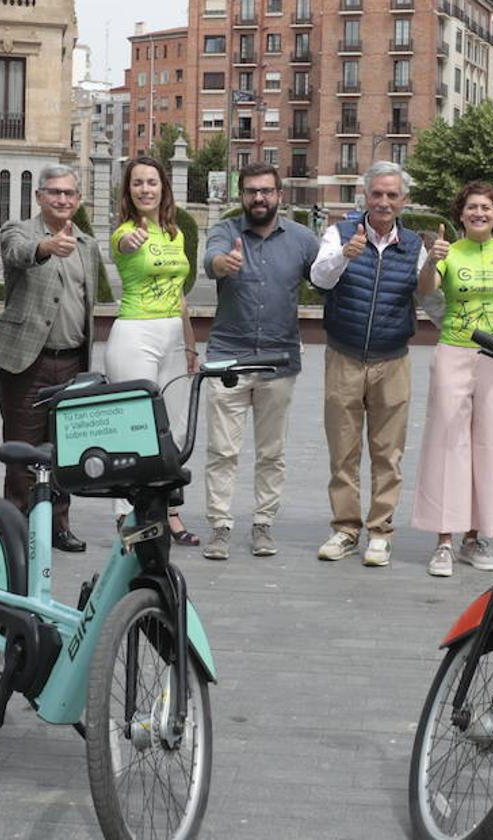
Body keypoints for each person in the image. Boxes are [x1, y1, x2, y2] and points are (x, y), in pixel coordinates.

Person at [199, 163, 319, 561]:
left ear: (279, 195)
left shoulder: (302, 239)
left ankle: (263, 524)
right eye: (251, 191)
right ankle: (219, 526)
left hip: (278, 361)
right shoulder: (226, 232)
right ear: (241, 196)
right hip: (227, 359)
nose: (259, 198)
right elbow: (211, 260)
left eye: (266, 191)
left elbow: (329, 276)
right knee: (222, 451)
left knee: (272, 452)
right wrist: (223, 265)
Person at [310, 160, 427, 568]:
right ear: (365, 196)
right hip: (344, 355)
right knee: (343, 451)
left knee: (387, 453)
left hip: (393, 359)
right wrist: (345, 255)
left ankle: (380, 531)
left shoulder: (413, 244)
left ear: (403, 200)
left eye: (391, 195)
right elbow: (319, 279)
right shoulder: (339, 233)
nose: (383, 201)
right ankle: (345, 529)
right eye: (376, 193)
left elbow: (428, 295)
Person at [411, 182, 493, 577]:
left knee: (490, 446)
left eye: (486, 208)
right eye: (472, 208)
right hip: (454, 352)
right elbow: (424, 293)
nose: (479, 213)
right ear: (460, 214)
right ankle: (443, 541)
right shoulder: (448, 251)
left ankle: (474, 538)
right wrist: (431, 261)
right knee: (448, 444)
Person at [0, 164, 98, 553]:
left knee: (64, 448)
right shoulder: (19, 230)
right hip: (27, 362)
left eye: (69, 194)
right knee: (23, 448)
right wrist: (46, 248)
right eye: (54, 193)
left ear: (78, 200)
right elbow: (17, 255)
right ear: (39, 197)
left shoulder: (86, 243)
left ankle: (58, 525)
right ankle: (16, 528)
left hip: (72, 362)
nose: (62, 200)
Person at [106, 155, 199, 545]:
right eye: (138, 183)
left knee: (174, 430)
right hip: (135, 334)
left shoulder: (176, 234)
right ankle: (128, 515)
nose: (146, 189)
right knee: (134, 428)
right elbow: (123, 248)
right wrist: (130, 241)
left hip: (172, 335)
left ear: (164, 188)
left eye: (152, 182)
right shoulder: (123, 232)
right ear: (129, 191)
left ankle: (169, 511)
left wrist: (191, 345)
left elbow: (179, 294)